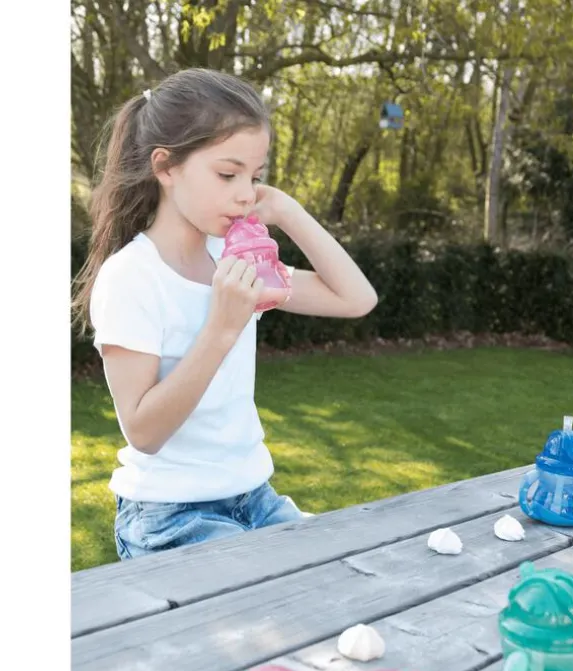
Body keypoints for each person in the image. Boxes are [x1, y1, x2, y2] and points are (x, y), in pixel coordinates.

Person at [71, 68, 378, 560]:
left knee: (347, 571)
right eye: (227, 174)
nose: (245, 193)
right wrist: (221, 328)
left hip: (255, 498)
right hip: (171, 514)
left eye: (254, 177)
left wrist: (288, 211)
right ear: (165, 167)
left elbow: (355, 299)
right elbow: (143, 432)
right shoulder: (131, 277)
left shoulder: (232, 259)